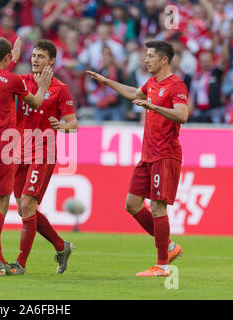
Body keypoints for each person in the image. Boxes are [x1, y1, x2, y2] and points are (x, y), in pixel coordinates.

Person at [87, 40, 188, 277]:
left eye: (151, 56)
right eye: (146, 55)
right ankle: (170, 246)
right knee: (132, 205)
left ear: (164, 59)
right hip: (147, 154)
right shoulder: (152, 82)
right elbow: (134, 92)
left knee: (157, 206)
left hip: (165, 154)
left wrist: (153, 107)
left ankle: (163, 265)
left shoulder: (176, 85)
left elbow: (182, 115)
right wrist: (106, 81)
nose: (146, 59)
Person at [0, 36, 53, 276]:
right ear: (7, 57)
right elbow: (35, 102)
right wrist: (43, 85)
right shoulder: (12, 79)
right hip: (1, 147)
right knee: (2, 202)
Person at [6, 39, 78, 275]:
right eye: (34, 55)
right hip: (19, 152)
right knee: (24, 210)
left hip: (43, 152)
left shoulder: (60, 89)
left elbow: (74, 123)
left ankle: (20, 263)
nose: (35, 59)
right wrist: (12, 59)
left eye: (41, 56)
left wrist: (62, 126)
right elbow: (1, 79)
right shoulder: (22, 81)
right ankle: (61, 246)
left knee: (27, 204)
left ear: (52, 60)